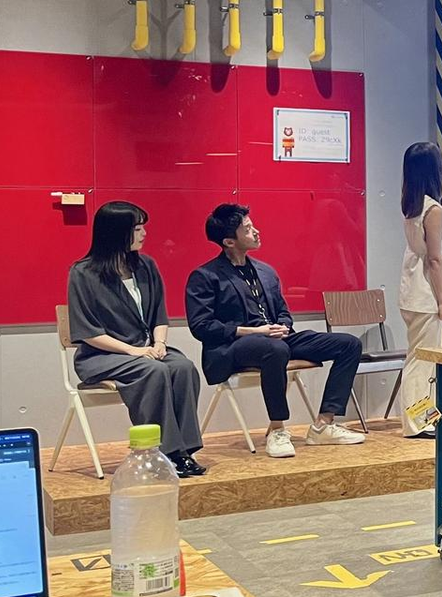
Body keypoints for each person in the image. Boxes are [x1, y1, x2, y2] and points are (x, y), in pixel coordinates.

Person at [185, 204, 365, 458]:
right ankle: (278, 429)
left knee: (349, 344)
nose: (256, 232)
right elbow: (201, 326)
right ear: (229, 241)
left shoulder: (265, 271)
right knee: (275, 349)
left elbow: (283, 311)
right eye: (248, 229)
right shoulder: (205, 276)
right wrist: (252, 332)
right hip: (232, 347)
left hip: (275, 340)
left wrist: (283, 326)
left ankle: (324, 424)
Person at [67, 202, 206, 478]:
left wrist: (159, 344)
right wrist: (134, 351)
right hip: (101, 356)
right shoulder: (83, 273)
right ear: (117, 232)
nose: (144, 234)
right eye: (137, 228)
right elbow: (88, 332)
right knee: (154, 371)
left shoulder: (146, 266)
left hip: (146, 350)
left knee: (182, 367)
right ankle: (163, 453)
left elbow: (160, 316)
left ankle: (184, 450)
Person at [397, 142, 442, 439]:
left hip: (412, 289)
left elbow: (437, 233)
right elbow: (436, 259)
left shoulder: (415, 204)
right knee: (422, 360)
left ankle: (427, 419)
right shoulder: (432, 209)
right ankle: (417, 423)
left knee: (422, 359)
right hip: (426, 294)